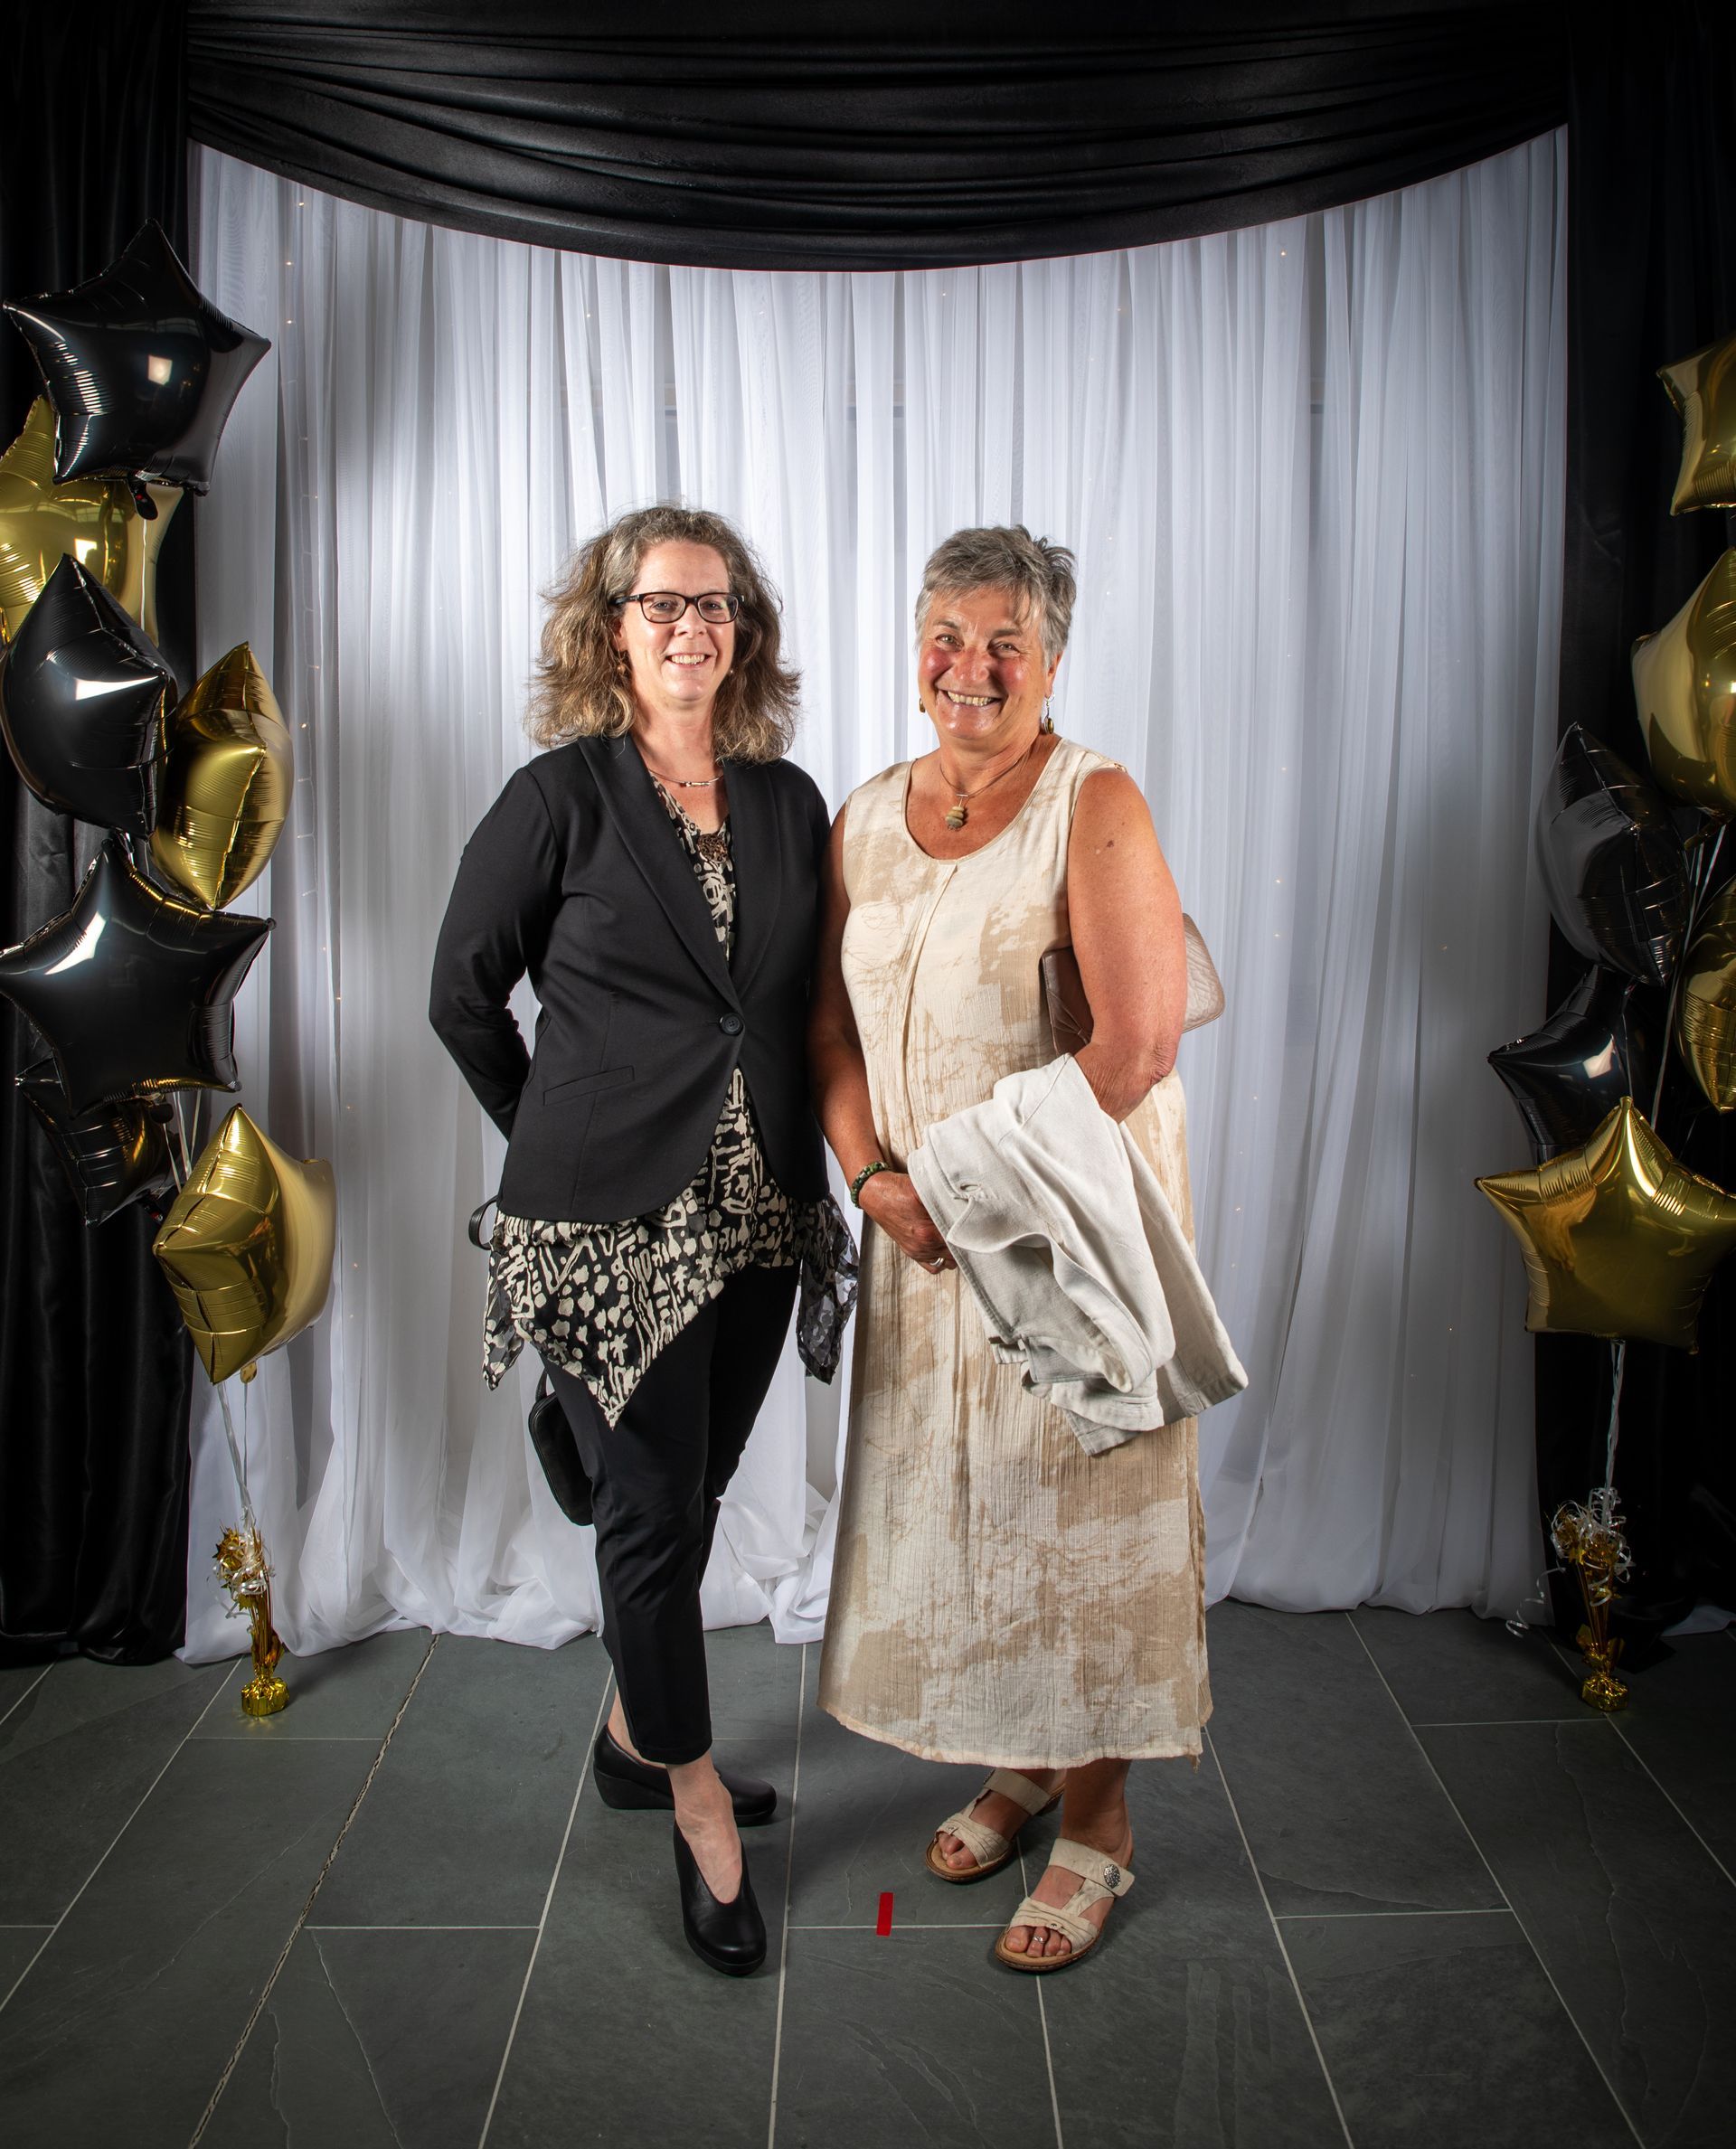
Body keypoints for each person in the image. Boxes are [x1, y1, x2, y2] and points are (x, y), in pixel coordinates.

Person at [430, 504, 849, 1978]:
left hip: (758, 1214)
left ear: (746, 630)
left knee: (692, 1493)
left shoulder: (791, 803)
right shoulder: (559, 797)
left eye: (718, 603)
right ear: (612, 627)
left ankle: (626, 1730)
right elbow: (461, 995)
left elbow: (804, 1010)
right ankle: (689, 1799)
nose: (693, 626)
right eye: (663, 603)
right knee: (653, 1509)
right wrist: (554, 1133)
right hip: (603, 1227)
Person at [809, 524, 1205, 1973]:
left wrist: (964, 1186)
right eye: (948, 635)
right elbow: (827, 1024)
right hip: (917, 1234)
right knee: (966, 1507)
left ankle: (1098, 1821)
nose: (969, 667)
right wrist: (869, 1173)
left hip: (1058, 1227)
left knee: (1075, 1516)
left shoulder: (1092, 799)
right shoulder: (860, 814)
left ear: (1050, 661)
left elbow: (1139, 1042)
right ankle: (1023, 1758)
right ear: (916, 644)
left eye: (1004, 644)